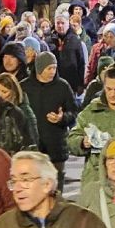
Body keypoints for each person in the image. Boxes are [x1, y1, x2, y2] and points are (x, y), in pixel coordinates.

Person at [21, 51, 77, 185]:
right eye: (49, 68)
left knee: (56, 184)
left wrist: (62, 118)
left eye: (54, 68)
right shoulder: (24, 87)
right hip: (33, 146)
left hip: (56, 146)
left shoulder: (63, 86)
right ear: (40, 68)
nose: (53, 71)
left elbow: (74, 111)